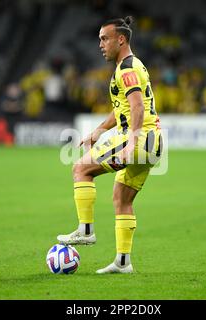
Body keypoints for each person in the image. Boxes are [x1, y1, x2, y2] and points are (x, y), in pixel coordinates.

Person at [57, 16, 163, 274]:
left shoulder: (126, 69)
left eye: (105, 39)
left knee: (81, 169)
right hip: (154, 144)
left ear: (121, 39)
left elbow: (137, 106)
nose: (101, 44)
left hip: (136, 140)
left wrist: (132, 140)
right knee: (121, 198)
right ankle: (123, 262)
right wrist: (100, 129)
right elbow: (124, 108)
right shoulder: (135, 65)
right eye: (99, 40)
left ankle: (85, 230)